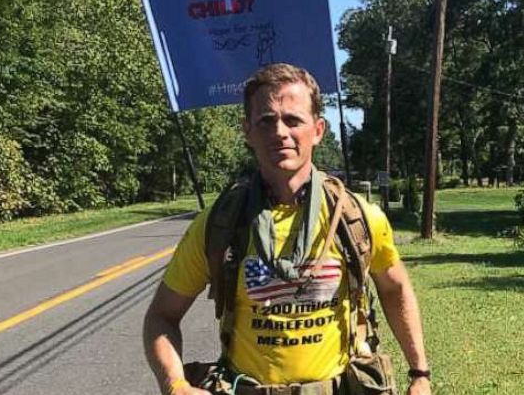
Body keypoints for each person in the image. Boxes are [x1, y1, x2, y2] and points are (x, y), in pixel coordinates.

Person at [143, 63, 431, 395]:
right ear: (247, 131)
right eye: (266, 120)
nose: (280, 131)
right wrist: (175, 384)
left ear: (318, 130)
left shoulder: (357, 217)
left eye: (293, 120)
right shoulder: (219, 223)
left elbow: (394, 289)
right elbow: (162, 317)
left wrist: (420, 372)